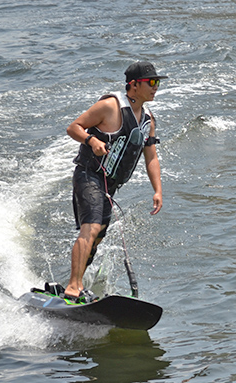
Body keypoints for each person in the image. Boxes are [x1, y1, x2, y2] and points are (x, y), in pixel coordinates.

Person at [62, 61, 166, 303]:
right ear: (133, 85)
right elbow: (73, 127)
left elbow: (151, 156)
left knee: (98, 237)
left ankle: (78, 283)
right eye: (151, 82)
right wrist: (91, 141)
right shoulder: (110, 106)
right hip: (89, 175)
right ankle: (73, 286)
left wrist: (158, 190)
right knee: (92, 226)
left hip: (110, 186)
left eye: (157, 82)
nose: (155, 87)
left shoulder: (148, 119)